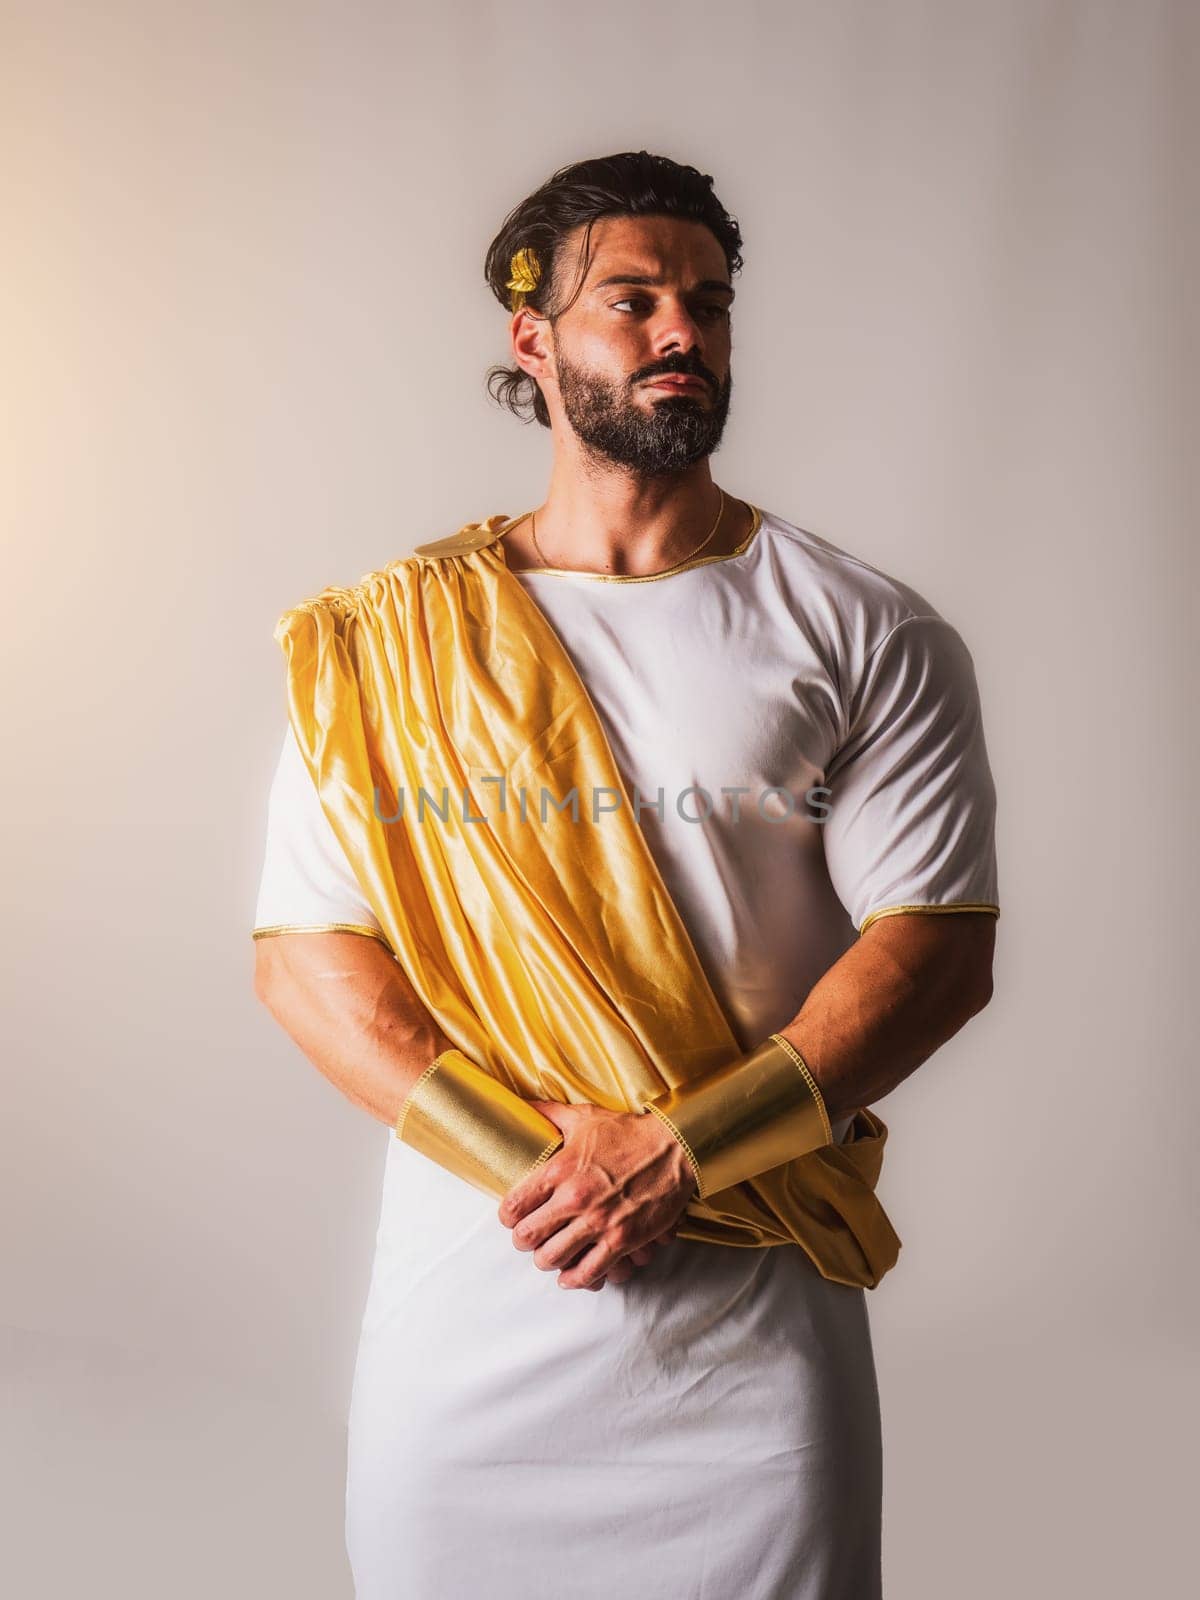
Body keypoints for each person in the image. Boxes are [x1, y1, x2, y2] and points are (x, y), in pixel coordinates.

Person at [250, 150, 999, 1600]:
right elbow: (308, 957)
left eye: (710, 306)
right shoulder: (389, 643)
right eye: (634, 301)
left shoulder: (861, 626)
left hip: (753, 1348)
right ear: (532, 342)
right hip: (473, 1320)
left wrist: (677, 1152)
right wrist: (541, 1159)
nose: (682, 336)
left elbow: (936, 950)